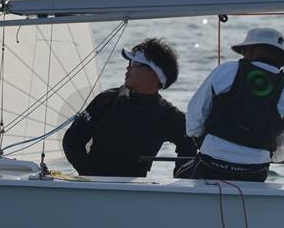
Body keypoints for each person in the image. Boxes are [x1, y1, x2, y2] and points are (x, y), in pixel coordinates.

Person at [179, 27, 284, 182]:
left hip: (212, 162)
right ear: (279, 56)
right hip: (255, 171)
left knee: (182, 174)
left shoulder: (226, 70)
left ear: (252, 50)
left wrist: (203, 140)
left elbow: (195, 113)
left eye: (245, 50)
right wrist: (261, 156)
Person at [62, 38, 197, 177]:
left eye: (134, 63)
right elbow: (72, 141)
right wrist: (89, 175)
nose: (128, 68)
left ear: (154, 73)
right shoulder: (106, 100)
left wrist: (181, 181)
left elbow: (190, 145)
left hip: (135, 187)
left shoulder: (168, 115)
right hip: (95, 183)